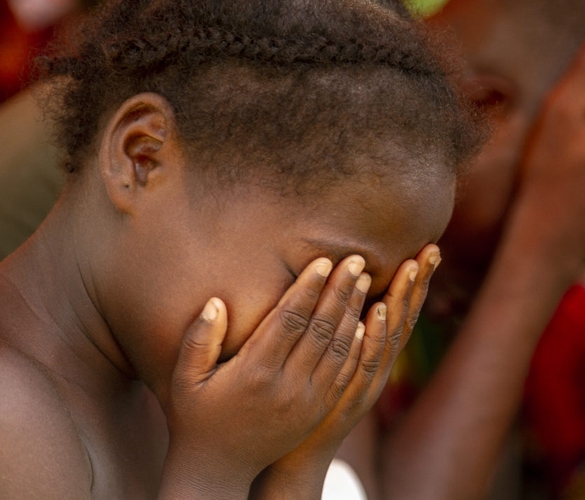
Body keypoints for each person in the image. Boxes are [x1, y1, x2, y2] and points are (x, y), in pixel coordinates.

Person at [0, 0, 484, 498]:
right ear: (141, 157)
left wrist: (298, 467)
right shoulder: (11, 419)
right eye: (323, 281)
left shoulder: (192, 408)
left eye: (369, 304)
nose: (334, 338)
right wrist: (213, 472)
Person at [333, 0, 585, 498]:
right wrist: (544, 251)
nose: (470, 293)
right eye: (509, 236)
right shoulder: (307, 218)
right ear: (484, 108)